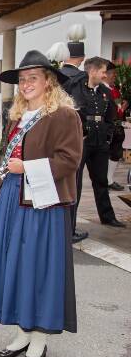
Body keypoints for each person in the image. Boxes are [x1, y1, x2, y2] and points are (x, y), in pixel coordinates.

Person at [0, 50, 81, 357]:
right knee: (15, 265)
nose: (26, 84)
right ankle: (23, 331)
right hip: (14, 197)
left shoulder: (64, 115)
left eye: (32, 78)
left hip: (43, 201)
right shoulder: (17, 118)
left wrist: (26, 167)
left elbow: (69, 161)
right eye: (23, 79)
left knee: (38, 267)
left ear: (48, 81)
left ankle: (39, 338)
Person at [66, 56, 126, 236]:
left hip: (99, 142)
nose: (105, 74)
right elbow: (70, 113)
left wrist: (107, 137)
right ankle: (70, 226)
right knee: (75, 183)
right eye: (102, 71)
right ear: (92, 71)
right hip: (81, 141)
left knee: (101, 181)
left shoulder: (104, 92)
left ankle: (107, 216)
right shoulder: (75, 88)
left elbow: (110, 116)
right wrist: (80, 133)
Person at [104, 61, 127, 191]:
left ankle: (109, 179)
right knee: (104, 154)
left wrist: (122, 108)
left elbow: (119, 109)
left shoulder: (115, 89)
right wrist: (121, 108)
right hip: (108, 127)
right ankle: (104, 180)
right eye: (112, 73)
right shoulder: (103, 89)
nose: (114, 76)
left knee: (116, 153)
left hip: (117, 127)